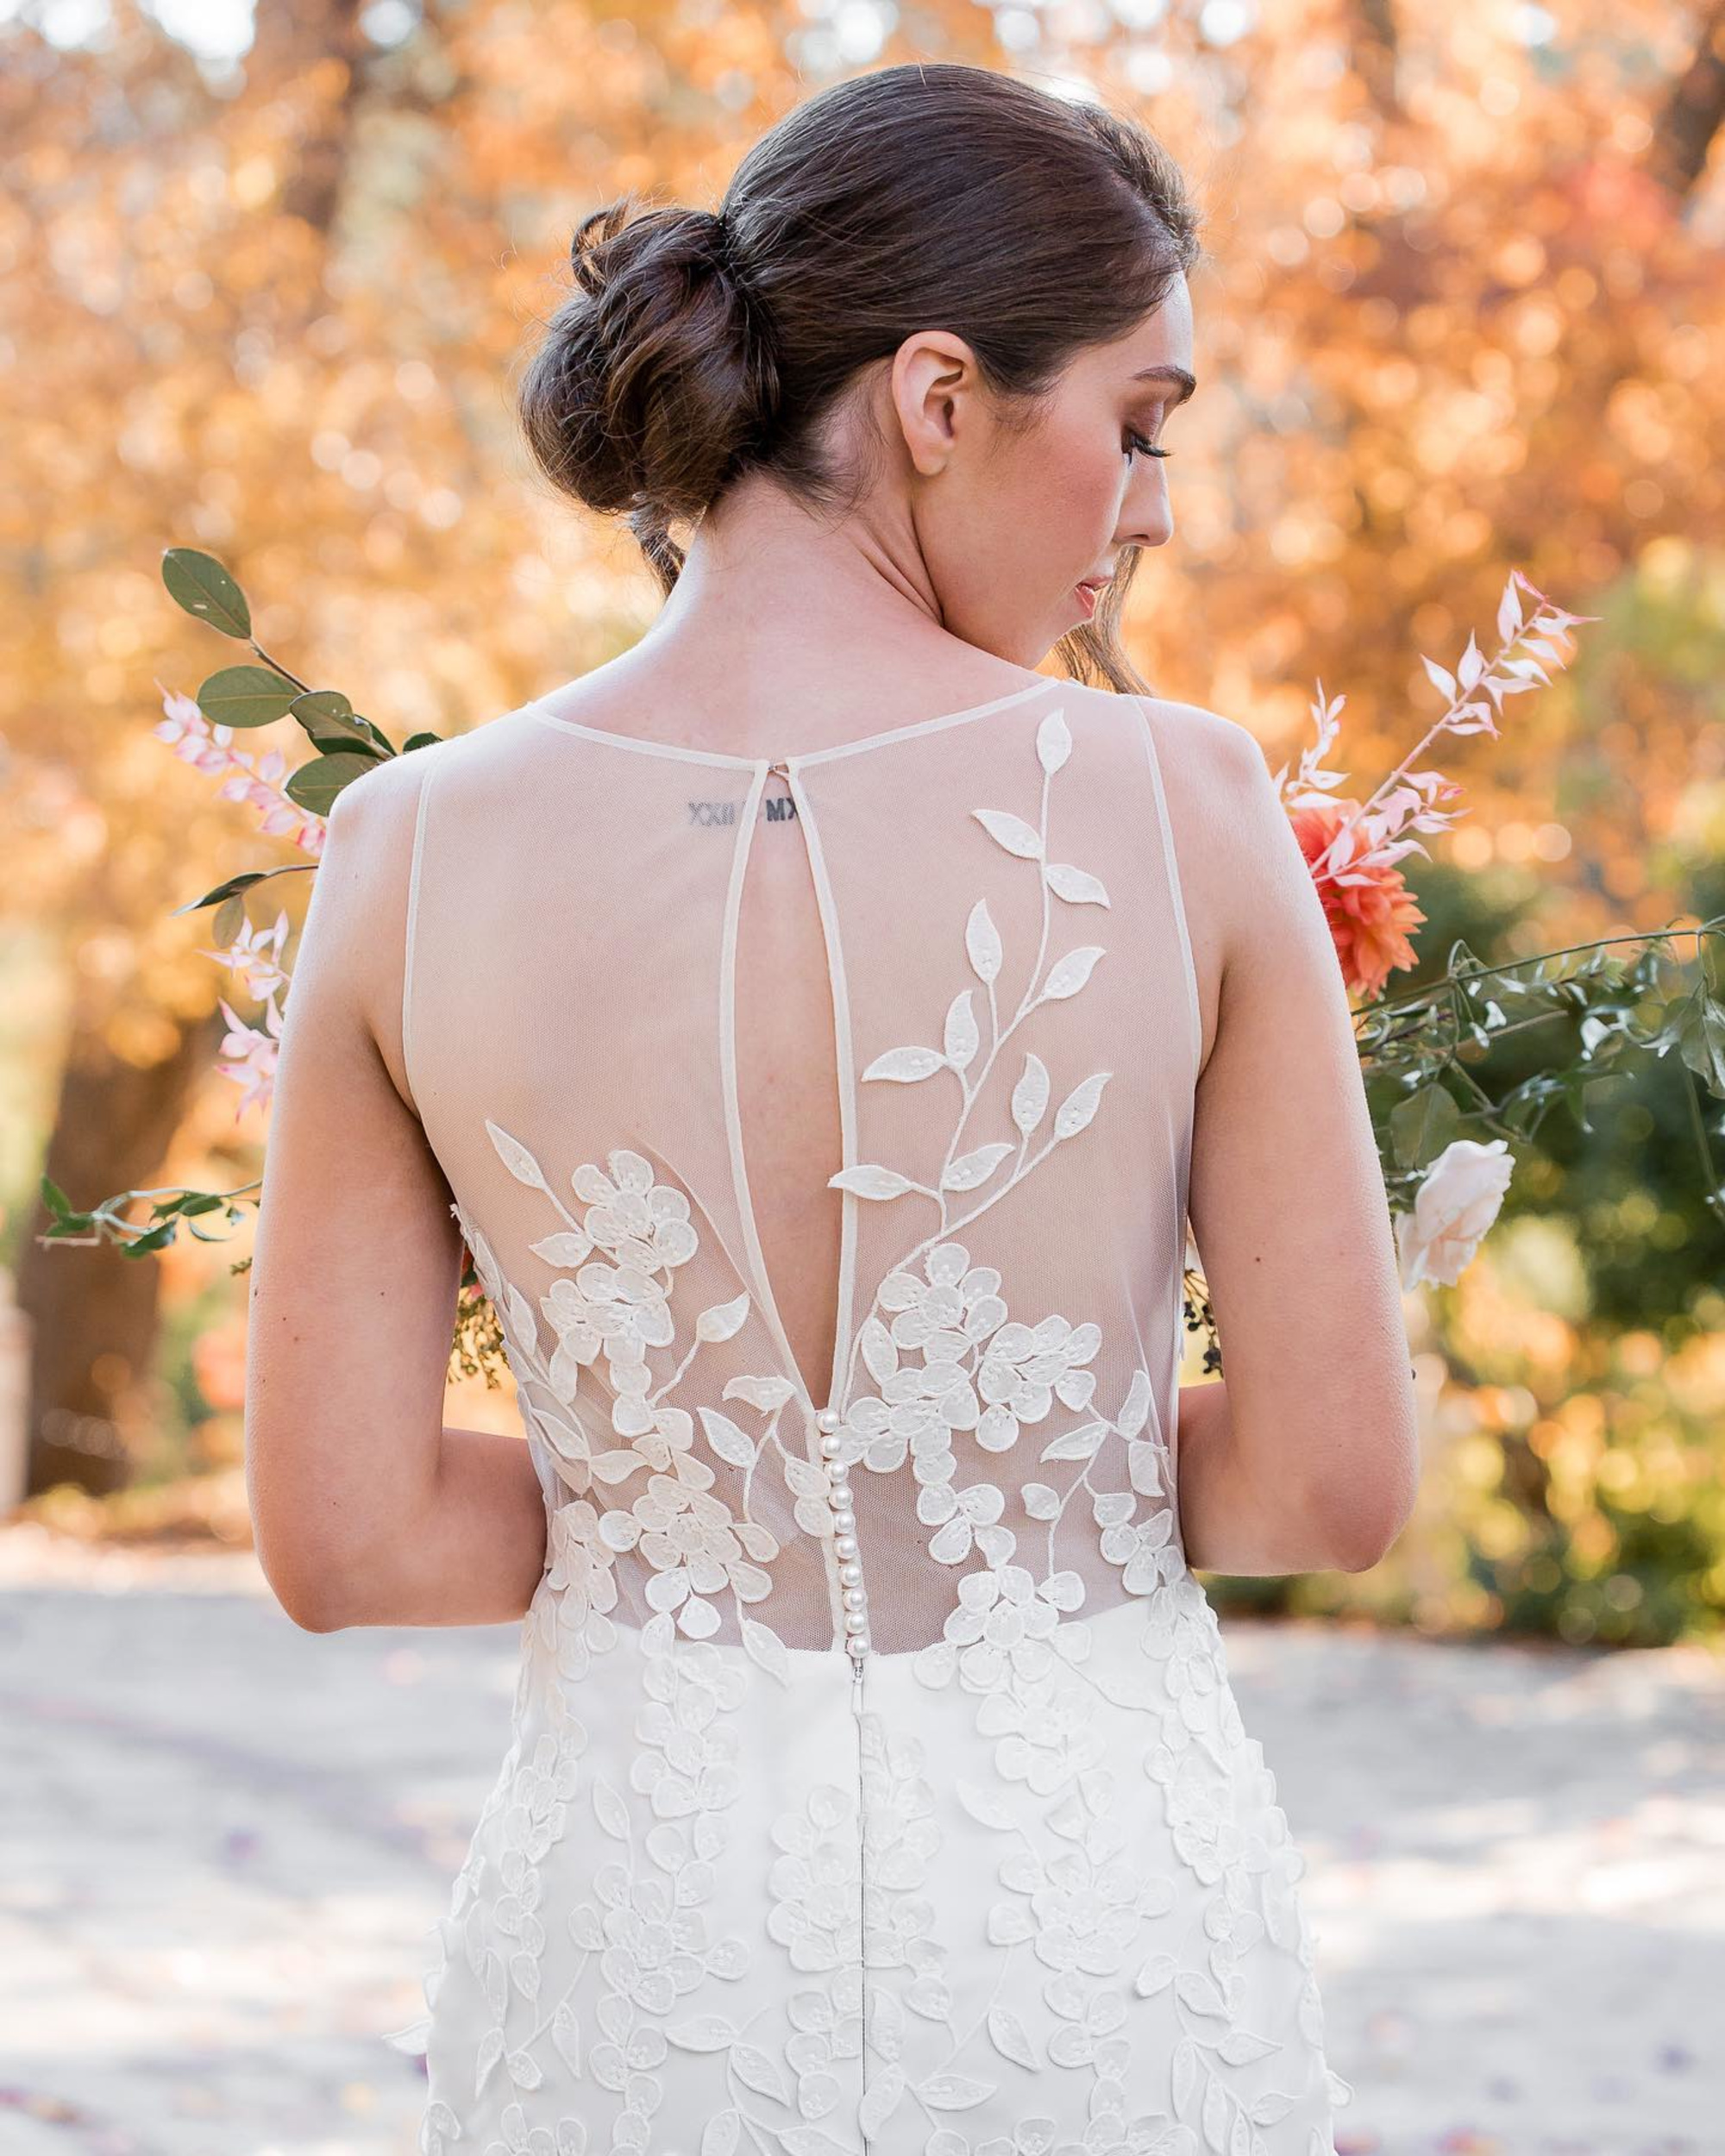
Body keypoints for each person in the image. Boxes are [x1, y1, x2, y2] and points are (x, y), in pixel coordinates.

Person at [247, 59, 1418, 2156]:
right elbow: (1330, 1488)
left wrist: (680, 1502)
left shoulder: (410, 847)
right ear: (940, 397)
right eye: (1138, 427)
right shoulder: (1178, 806)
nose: (1151, 508)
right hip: (1082, 1926)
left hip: (637, 1942)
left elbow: (349, 1543)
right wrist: (1001, 1463)